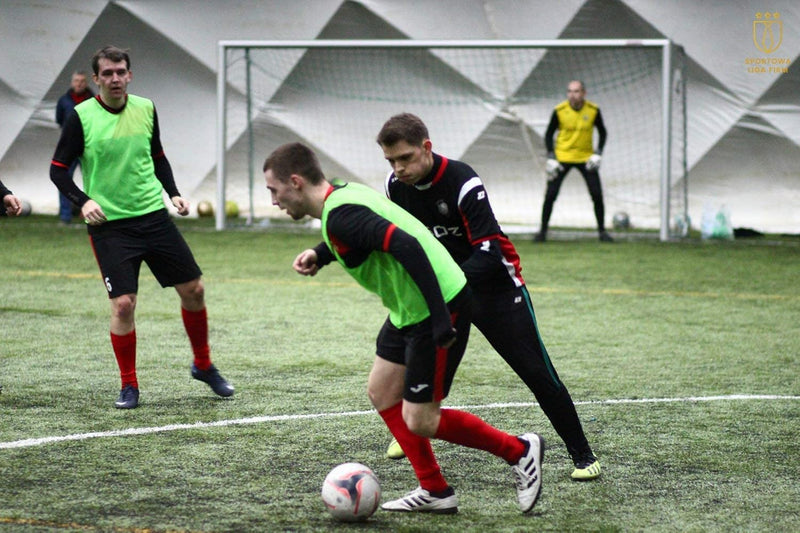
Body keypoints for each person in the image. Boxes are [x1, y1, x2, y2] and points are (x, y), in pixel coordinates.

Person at [264, 142, 544, 514]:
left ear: (295, 182)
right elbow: (366, 232)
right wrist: (322, 253)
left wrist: (442, 319)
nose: (273, 201)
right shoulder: (342, 197)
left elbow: (406, 245)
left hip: (436, 305)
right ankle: (435, 491)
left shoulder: (340, 215)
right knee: (382, 391)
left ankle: (520, 451)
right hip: (410, 309)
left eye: (273, 190)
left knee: (421, 418)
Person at [377, 113, 601, 481]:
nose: (399, 169)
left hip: (496, 289)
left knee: (536, 372)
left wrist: (447, 284)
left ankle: (582, 453)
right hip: (449, 292)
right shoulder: (395, 186)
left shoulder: (463, 182)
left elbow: (490, 251)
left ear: (426, 148)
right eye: (391, 161)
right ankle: (416, 429)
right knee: (430, 370)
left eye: (405, 158)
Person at [49, 46, 233, 409]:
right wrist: (83, 201)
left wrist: (174, 193)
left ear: (129, 75)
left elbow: (157, 155)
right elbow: (57, 169)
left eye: (121, 72)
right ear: (97, 79)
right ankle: (129, 385)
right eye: (108, 73)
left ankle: (203, 365)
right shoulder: (81, 116)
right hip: (111, 227)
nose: (115, 78)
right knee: (123, 305)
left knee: (194, 289)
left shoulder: (146, 108)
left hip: (153, 217)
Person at [535, 80, 613, 242]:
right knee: (550, 195)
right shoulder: (559, 111)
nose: (573, 95)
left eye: (576, 91)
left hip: (586, 158)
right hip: (562, 158)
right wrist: (551, 156)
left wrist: (598, 153)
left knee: (597, 194)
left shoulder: (593, 110)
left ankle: (602, 232)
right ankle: (542, 232)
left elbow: (603, 133)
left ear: (583, 93)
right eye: (570, 91)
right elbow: (549, 134)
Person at [55, 71, 94, 225]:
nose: (79, 84)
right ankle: (65, 215)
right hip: (69, 148)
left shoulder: (94, 100)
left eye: (82, 81)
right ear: (72, 82)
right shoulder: (64, 101)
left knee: (94, 179)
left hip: (89, 146)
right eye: (76, 80)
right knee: (64, 178)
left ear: (87, 83)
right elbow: (59, 120)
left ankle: (94, 212)